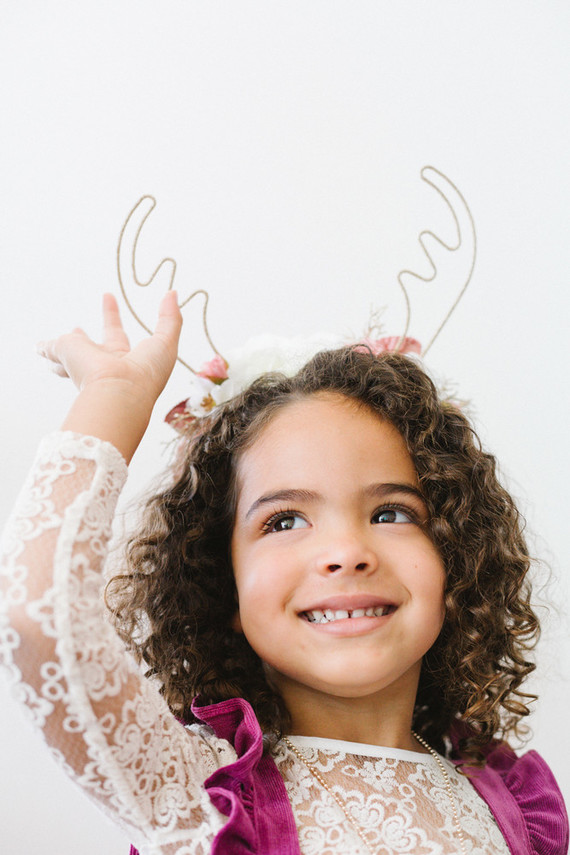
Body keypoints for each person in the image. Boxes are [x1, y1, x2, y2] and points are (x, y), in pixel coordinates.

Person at [0, 291, 567, 855]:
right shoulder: (198, 793)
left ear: (456, 556)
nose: (346, 552)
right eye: (285, 520)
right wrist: (112, 398)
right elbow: (36, 616)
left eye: (390, 512)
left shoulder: (512, 808)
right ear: (222, 581)